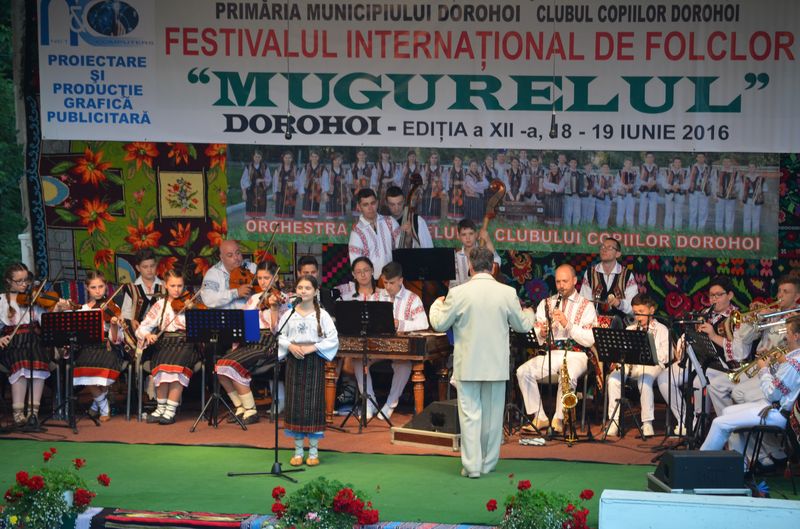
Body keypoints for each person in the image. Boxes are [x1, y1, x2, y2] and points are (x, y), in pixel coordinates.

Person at [430, 247, 535, 478]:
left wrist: (436, 304)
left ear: (470, 266)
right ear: (493, 266)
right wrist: (529, 312)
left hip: (468, 364)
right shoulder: (507, 292)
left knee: (470, 416)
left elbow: (439, 323)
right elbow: (523, 326)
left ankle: (472, 466)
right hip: (495, 366)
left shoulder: (458, 292)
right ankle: (487, 463)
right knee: (492, 418)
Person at [700, 315, 800, 469]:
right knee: (726, 411)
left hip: (779, 413)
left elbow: (772, 394)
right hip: (776, 407)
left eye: (787, 332)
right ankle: (741, 467)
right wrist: (776, 364)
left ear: (796, 336)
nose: (785, 336)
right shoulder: (793, 359)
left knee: (719, 422)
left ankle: (697, 468)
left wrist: (764, 369)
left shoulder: (793, 363)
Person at [516, 264, 597, 433]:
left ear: (574, 281)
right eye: (558, 281)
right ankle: (540, 416)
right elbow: (537, 332)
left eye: (565, 281)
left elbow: (589, 339)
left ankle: (559, 418)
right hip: (552, 352)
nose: (561, 286)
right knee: (523, 371)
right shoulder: (547, 303)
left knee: (568, 374)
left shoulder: (586, 306)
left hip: (577, 354)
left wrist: (567, 324)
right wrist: (542, 333)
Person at [657, 277, 739, 433]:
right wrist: (684, 341)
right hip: (698, 360)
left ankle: (701, 425)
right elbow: (692, 334)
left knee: (698, 381)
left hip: (722, 366)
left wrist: (713, 335)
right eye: (711, 295)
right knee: (664, 379)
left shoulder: (737, 317)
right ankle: (685, 421)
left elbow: (738, 350)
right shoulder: (705, 313)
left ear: (730, 295)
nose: (714, 299)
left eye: (719, 295)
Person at [351, 262, 428, 420]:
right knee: (358, 360)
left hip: (401, 350)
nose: (388, 287)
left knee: (404, 365)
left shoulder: (413, 298)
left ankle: (390, 404)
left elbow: (423, 323)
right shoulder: (376, 297)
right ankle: (369, 403)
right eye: (385, 282)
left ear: (401, 280)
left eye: (391, 283)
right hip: (376, 347)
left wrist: (400, 324)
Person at [278, 275, 339, 466]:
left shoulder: (323, 315)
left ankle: (313, 452)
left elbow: (333, 339)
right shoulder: (289, 314)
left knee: (313, 406)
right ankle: (298, 452)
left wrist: (313, 347)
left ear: (315, 291)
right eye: (300, 287)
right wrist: (290, 346)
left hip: (314, 361)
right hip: (294, 362)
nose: (303, 291)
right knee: (295, 406)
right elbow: (279, 336)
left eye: (307, 288)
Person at [215, 261, 286, 424]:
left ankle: (251, 410)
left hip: (269, 343)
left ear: (275, 278)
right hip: (250, 340)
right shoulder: (254, 299)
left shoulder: (282, 299)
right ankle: (241, 407)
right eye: (259, 278)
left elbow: (277, 330)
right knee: (219, 367)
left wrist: (274, 309)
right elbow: (243, 322)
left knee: (232, 365)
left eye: (267, 278)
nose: (262, 282)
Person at [0, 263, 70, 425]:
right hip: (13, 343)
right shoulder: (1, 301)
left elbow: (47, 323)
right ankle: (18, 413)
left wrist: (57, 309)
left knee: (38, 361)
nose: (24, 284)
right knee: (21, 363)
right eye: (19, 281)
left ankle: (33, 413)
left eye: (26, 280)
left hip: (34, 341)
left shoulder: (34, 299)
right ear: (8, 281)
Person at [135, 269, 200, 424]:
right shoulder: (159, 305)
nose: (177, 290)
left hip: (186, 344)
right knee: (161, 368)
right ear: (165, 285)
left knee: (176, 370)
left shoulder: (190, 303)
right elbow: (141, 328)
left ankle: (170, 411)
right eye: (172, 286)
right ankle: (161, 408)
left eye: (180, 286)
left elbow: (203, 329)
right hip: (165, 344)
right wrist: (148, 335)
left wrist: (193, 311)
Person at [605, 293, 668, 438]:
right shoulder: (631, 329)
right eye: (635, 313)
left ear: (651, 310)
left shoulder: (662, 329)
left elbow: (666, 355)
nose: (638, 317)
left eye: (641, 312)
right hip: (632, 365)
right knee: (613, 379)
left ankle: (647, 422)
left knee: (644, 380)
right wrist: (619, 360)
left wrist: (650, 354)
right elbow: (623, 352)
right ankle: (614, 421)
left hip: (653, 365)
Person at [72, 271, 124, 422]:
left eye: (101, 286)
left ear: (106, 286)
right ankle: (103, 405)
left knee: (102, 368)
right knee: (84, 367)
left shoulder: (112, 307)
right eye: (93, 287)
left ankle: (97, 406)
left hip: (107, 347)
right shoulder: (83, 309)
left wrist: (113, 325)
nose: (98, 291)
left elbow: (116, 340)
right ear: (87, 288)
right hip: (88, 348)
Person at [579, 237, 637, 325]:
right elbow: (584, 302)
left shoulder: (627, 275)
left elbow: (634, 308)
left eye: (609, 247)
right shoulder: (590, 273)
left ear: (617, 254)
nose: (604, 250)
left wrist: (619, 303)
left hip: (621, 326)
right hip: (595, 325)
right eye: (602, 247)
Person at [347, 188, 400, 281]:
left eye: (373, 203)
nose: (370, 208)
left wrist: (408, 237)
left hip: (394, 280)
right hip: (372, 283)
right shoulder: (356, 233)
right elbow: (357, 267)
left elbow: (403, 248)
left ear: (377, 203)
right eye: (365, 204)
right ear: (359, 207)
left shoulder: (390, 222)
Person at [201, 240, 257, 309]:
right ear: (222, 258)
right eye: (230, 255)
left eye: (238, 253)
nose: (236, 258)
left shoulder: (251, 268)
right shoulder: (213, 273)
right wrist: (236, 293)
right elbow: (208, 298)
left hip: (249, 314)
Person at [121, 248, 164, 332]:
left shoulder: (165, 286)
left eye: (152, 266)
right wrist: (131, 321)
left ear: (156, 265)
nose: (149, 270)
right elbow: (125, 313)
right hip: (137, 331)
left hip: (160, 332)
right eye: (145, 267)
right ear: (138, 268)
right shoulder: (131, 288)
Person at [451, 218, 500, 287]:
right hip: (463, 291)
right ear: (459, 236)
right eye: (464, 234)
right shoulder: (456, 257)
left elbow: (497, 263)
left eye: (471, 233)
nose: (468, 238)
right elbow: (453, 283)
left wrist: (488, 240)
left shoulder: (484, 252)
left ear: (476, 234)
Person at [241, 149, 271, 218]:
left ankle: (259, 222)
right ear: (253, 157)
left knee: (260, 212)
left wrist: (261, 180)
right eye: (256, 156)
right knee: (250, 212)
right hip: (250, 192)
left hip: (261, 192)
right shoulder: (248, 167)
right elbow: (243, 180)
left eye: (259, 157)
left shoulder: (265, 167)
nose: (257, 158)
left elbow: (269, 179)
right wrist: (244, 193)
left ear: (261, 158)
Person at [714, 157, 740, 234]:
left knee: (730, 216)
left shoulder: (735, 173)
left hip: (731, 197)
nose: (726, 163)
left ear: (730, 163)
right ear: (722, 163)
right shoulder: (718, 172)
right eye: (725, 162)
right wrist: (715, 195)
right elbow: (714, 183)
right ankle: (718, 233)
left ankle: (729, 233)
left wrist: (734, 190)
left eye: (728, 162)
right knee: (719, 215)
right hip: (720, 196)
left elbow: (739, 184)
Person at [300, 150, 328, 219]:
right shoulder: (306, 167)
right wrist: (301, 191)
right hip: (307, 191)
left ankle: (314, 221)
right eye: (313, 156)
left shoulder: (322, 168)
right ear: (310, 157)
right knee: (306, 212)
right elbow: (301, 179)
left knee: (315, 212)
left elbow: (325, 181)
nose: (314, 158)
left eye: (316, 157)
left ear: (318, 158)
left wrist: (324, 192)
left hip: (317, 191)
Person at [662, 157, 688, 230]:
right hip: (669, 194)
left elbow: (687, 184)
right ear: (673, 163)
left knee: (679, 213)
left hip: (680, 194)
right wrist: (671, 187)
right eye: (676, 162)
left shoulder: (685, 172)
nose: (677, 164)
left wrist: (680, 186)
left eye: (679, 162)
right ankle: (668, 230)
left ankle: (677, 230)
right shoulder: (667, 171)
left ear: (681, 163)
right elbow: (663, 183)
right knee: (668, 213)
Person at [688, 152, 712, 231]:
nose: (700, 159)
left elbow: (711, 180)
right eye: (699, 157)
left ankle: (701, 229)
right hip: (694, 191)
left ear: (704, 158)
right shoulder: (691, 167)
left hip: (704, 192)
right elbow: (688, 179)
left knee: (703, 211)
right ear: (696, 158)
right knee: (693, 211)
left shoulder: (708, 168)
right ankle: (692, 229)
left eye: (702, 157)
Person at [349, 149, 376, 216]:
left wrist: (365, 177)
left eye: (363, 155)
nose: (361, 156)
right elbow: (349, 179)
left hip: (366, 190)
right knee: (355, 212)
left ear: (365, 156)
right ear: (357, 156)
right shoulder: (353, 166)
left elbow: (373, 179)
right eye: (360, 155)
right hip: (355, 190)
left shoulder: (370, 167)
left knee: (365, 211)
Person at [742, 162, 766, 235]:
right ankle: (746, 234)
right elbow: (741, 189)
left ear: (755, 168)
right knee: (747, 217)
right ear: (748, 168)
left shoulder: (760, 178)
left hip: (757, 199)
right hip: (747, 199)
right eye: (750, 167)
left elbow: (765, 188)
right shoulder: (744, 178)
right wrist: (741, 199)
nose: (751, 168)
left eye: (753, 167)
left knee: (756, 218)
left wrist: (761, 190)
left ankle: (755, 234)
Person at [274, 150, 298, 219]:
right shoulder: (278, 169)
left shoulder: (295, 169)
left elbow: (298, 182)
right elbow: (275, 182)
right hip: (280, 193)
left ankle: (288, 225)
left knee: (289, 214)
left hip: (290, 194)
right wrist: (274, 193)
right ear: (283, 158)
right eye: (286, 158)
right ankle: (279, 226)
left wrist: (293, 183)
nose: (287, 159)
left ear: (292, 159)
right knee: (279, 213)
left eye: (289, 158)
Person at [421, 151, 445, 220]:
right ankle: (426, 220)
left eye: (435, 158)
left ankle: (435, 222)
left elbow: (443, 181)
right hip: (427, 189)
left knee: (435, 205)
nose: (434, 159)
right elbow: (422, 180)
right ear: (429, 159)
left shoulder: (440, 168)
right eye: (432, 158)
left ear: (437, 159)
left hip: (436, 190)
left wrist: (438, 179)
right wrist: (425, 176)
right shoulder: (425, 167)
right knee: (426, 204)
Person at [638, 152, 659, 228]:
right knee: (642, 210)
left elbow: (660, 178)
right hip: (644, 191)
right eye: (648, 157)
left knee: (653, 211)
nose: (650, 159)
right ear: (645, 158)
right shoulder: (641, 167)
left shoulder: (656, 167)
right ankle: (641, 227)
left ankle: (651, 228)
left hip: (653, 191)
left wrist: (655, 182)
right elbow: (638, 180)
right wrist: (646, 183)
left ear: (653, 158)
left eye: (651, 157)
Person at [615, 158, 637, 228]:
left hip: (631, 195)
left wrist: (632, 185)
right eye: (627, 163)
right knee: (620, 213)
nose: (628, 165)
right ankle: (619, 229)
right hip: (622, 195)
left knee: (630, 213)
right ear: (624, 164)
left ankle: (629, 229)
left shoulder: (634, 173)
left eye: (630, 163)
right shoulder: (620, 172)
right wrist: (624, 186)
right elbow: (616, 182)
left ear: (631, 164)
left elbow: (637, 183)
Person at [325, 152, 348, 219]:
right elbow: (325, 183)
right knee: (331, 217)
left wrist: (344, 181)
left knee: (341, 217)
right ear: (333, 161)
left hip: (341, 195)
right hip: (331, 195)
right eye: (335, 160)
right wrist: (325, 194)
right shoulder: (328, 170)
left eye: (339, 160)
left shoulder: (344, 171)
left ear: (341, 161)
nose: (337, 162)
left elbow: (347, 182)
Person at [594, 164, 614, 229]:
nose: (606, 169)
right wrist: (602, 190)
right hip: (600, 197)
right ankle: (600, 227)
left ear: (609, 169)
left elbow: (614, 186)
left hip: (608, 197)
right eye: (604, 167)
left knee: (607, 213)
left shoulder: (611, 177)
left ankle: (604, 228)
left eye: (607, 167)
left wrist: (610, 189)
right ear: (601, 169)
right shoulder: (598, 176)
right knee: (600, 213)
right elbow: (595, 185)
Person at [447, 155, 466, 220]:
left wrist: (459, 182)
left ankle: (459, 219)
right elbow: (448, 181)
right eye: (456, 160)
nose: (457, 162)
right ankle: (452, 220)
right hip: (452, 191)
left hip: (461, 192)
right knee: (452, 204)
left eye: (459, 160)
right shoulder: (450, 170)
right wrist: (452, 182)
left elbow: (465, 182)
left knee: (460, 204)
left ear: (461, 162)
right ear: (453, 161)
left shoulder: (463, 170)